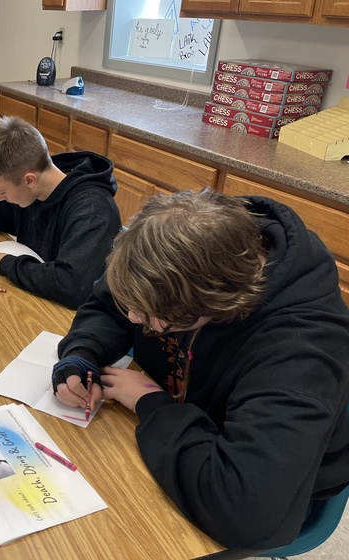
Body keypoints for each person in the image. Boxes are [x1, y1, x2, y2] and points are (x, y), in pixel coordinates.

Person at [51, 190, 349, 549]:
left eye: (150, 317)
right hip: (183, 436)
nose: (132, 318)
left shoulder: (301, 352)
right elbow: (110, 307)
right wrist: (83, 353)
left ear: (219, 304)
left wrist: (151, 404)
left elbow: (246, 513)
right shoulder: (181, 250)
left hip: (252, 481)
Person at [0, 115, 121, 309]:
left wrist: (6, 264)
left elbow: (73, 286)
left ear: (29, 180)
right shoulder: (29, 187)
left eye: (2, 192)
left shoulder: (92, 211)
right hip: (37, 300)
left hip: (74, 317)